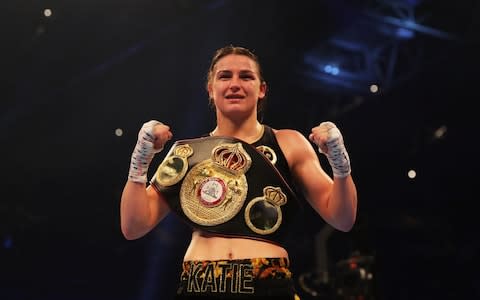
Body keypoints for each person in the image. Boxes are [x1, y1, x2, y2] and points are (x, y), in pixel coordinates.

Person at [120, 45, 358, 299]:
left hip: (266, 283)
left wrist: (339, 162)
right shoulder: (187, 153)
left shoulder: (289, 143)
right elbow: (134, 226)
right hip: (200, 284)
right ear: (211, 88)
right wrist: (141, 159)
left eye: (246, 76)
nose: (235, 84)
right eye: (225, 76)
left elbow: (342, 219)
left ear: (262, 89)